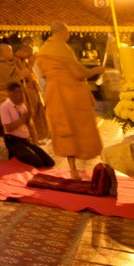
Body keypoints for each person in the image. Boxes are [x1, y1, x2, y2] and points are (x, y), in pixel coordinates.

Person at [35, 22, 104, 179]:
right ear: (63, 32)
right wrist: (96, 70)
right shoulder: (62, 49)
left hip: (54, 94)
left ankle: (73, 169)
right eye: (68, 33)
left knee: (64, 130)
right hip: (70, 95)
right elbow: (78, 74)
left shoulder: (44, 49)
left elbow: (45, 74)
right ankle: (83, 166)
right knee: (79, 128)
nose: (68, 36)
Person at [0, 83, 55, 168]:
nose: (22, 95)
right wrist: (22, 119)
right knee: (37, 162)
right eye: (18, 92)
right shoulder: (4, 107)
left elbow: (29, 125)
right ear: (11, 93)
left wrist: (35, 141)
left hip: (25, 140)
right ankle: (14, 154)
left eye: (22, 92)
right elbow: (8, 128)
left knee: (49, 162)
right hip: (13, 140)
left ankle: (20, 153)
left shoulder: (22, 106)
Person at [13, 44, 50, 144]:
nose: (28, 56)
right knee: (29, 115)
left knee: (35, 114)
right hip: (25, 91)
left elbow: (32, 75)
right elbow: (25, 76)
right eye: (27, 54)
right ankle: (29, 138)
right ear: (22, 51)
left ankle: (35, 138)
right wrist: (30, 65)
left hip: (32, 90)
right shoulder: (15, 61)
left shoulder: (23, 61)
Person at [0, 44, 19, 136]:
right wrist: (21, 75)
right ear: (2, 53)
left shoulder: (12, 62)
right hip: (4, 94)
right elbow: (7, 81)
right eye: (9, 51)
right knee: (7, 119)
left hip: (13, 94)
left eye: (11, 51)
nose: (11, 53)